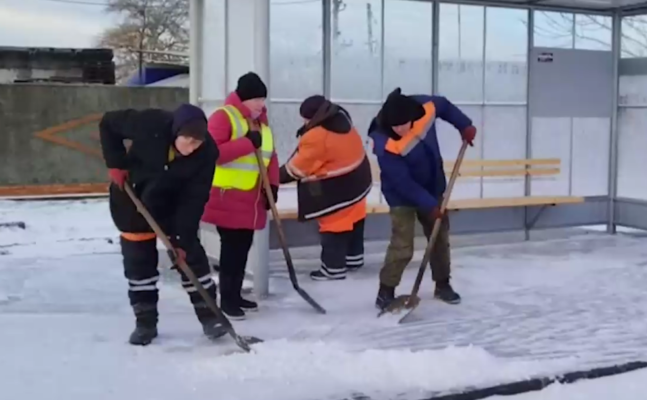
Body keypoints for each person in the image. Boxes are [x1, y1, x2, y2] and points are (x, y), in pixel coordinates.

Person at [99, 103, 224, 346]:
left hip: (172, 206)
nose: (191, 148)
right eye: (187, 140)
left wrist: (181, 239)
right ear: (175, 133)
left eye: (197, 142)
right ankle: (145, 323)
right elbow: (108, 122)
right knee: (139, 264)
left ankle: (211, 318)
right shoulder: (150, 123)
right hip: (133, 199)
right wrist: (116, 163)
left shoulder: (207, 154)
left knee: (191, 258)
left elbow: (194, 199)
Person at [368, 88, 476, 310]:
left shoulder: (426, 108)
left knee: (438, 236)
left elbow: (444, 105)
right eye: (394, 126)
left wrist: (463, 125)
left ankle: (443, 284)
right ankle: (385, 291)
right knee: (403, 245)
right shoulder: (383, 143)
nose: (398, 129)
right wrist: (429, 204)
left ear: (412, 116)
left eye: (402, 124)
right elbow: (403, 182)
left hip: (433, 185)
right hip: (401, 196)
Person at [203, 72, 280, 320]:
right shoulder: (223, 117)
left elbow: (271, 157)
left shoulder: (262, 124)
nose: (260, 104)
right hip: (228, 198)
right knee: (232, 251)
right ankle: (227, 300)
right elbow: (213, 153)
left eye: (262, 99)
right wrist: (247, 142)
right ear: (242, 99)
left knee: (242, 248)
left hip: (252, 199)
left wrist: (274, 186)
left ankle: (235, 295)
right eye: (256, 99)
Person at [279, 95, 372, 281]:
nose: (304, 122)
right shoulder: (341, 118)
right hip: (358, 181)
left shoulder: (318, 136)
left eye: (305, 118)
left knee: (334, 224)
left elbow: (298, 168)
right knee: (354, 219)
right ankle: (353, 259)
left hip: (338, 188)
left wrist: (272, 176)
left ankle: (333, 268)